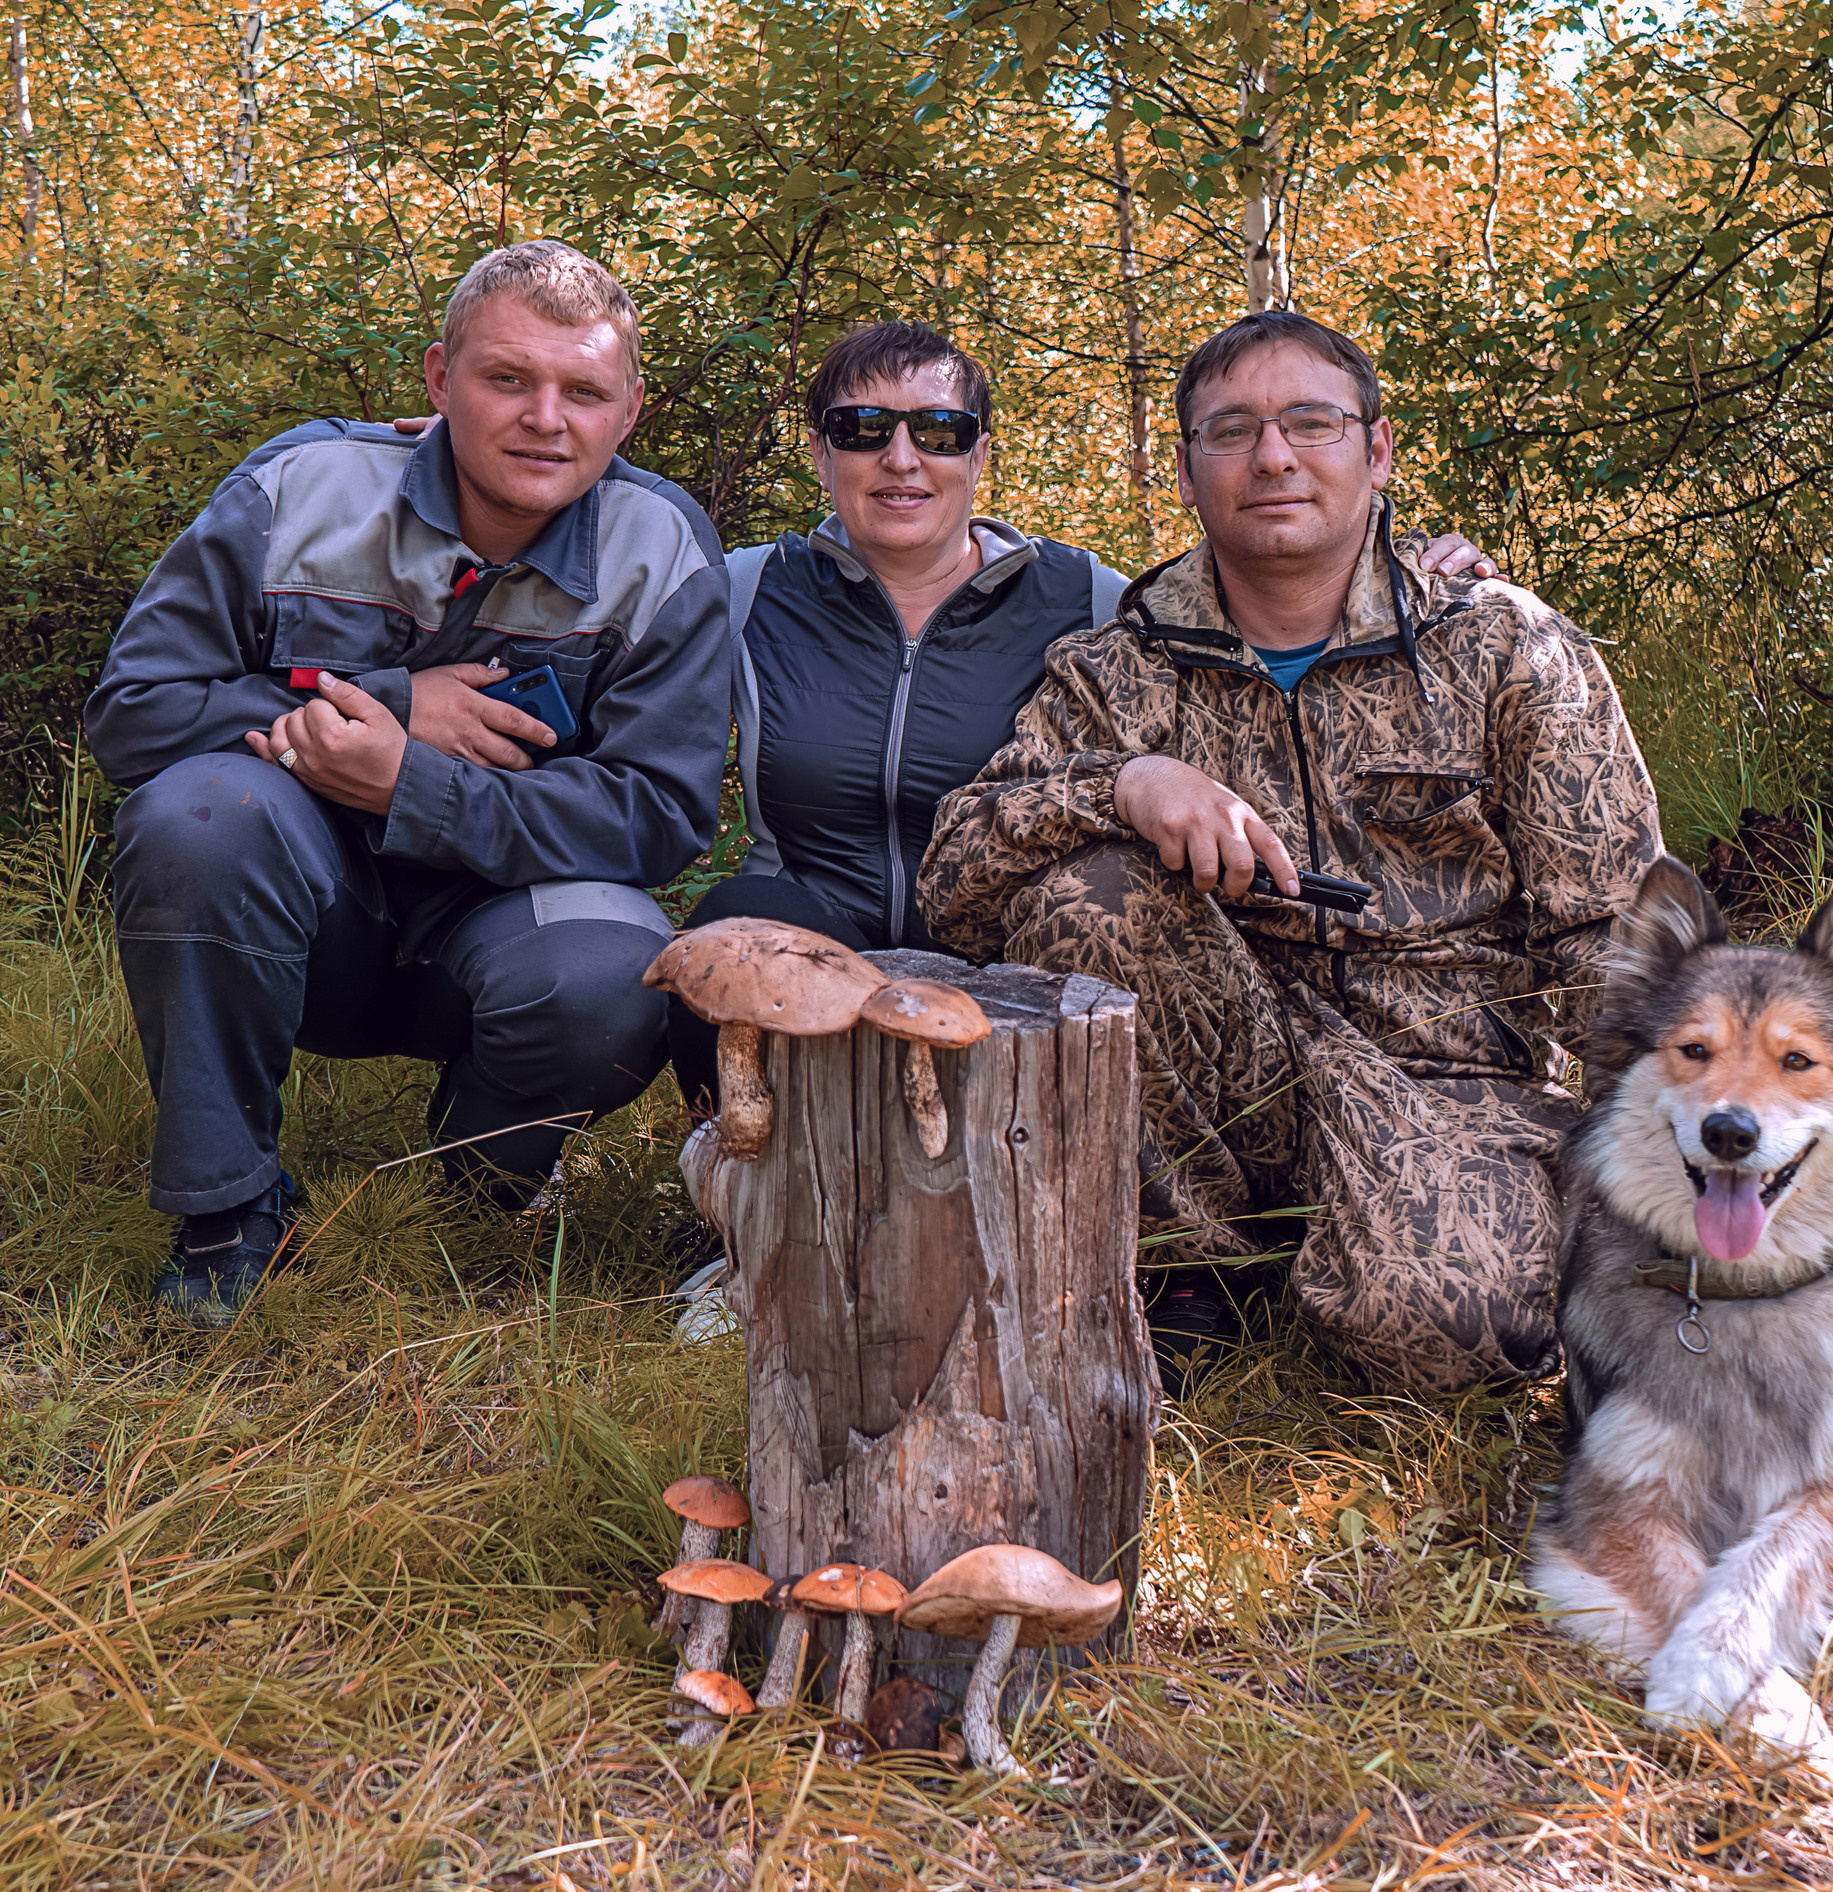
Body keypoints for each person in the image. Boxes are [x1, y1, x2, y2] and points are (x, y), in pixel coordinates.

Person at [918, 311, 1663, 1395]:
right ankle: (1188, 1268)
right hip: (1227, 1074)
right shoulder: (1114, 671)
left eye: (1310, 423)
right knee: (1092, 891)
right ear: (1185, 470)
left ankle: (1360, 1253)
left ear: (1379, 449)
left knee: (1456, 1334)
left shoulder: (1502, 643)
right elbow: (956, 880)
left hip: (1449, 1080)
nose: (1273, 457)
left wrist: (1651, 1168)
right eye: (1233, 432)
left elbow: (1612, 931)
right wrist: (1126, 783)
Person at [85, 239, 729, 1327]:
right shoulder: (300, 490)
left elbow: (660, 815)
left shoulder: (658, 550)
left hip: (502, 924)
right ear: (439, 378)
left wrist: (409, 784)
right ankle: (230, 1210)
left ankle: (477, 1191)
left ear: (627, 415)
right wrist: (388, 699)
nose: (546, 417)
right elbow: (135, 710)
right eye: (507, 377)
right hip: (300, 913)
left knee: (615, 976)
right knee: (194, 818)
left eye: (584, 391)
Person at [662, 320, 1500, 1115]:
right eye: (864, 428)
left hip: (1005, 954)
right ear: (821, 451)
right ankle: (734, 1192)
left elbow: (1259, 594)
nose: (903, 458)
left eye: (942, 431)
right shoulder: (741, 590)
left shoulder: (1087, 599)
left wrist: (1407, 566)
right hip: (811, 948)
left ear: (981, 452)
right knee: (732, 920)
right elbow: (616, 675)